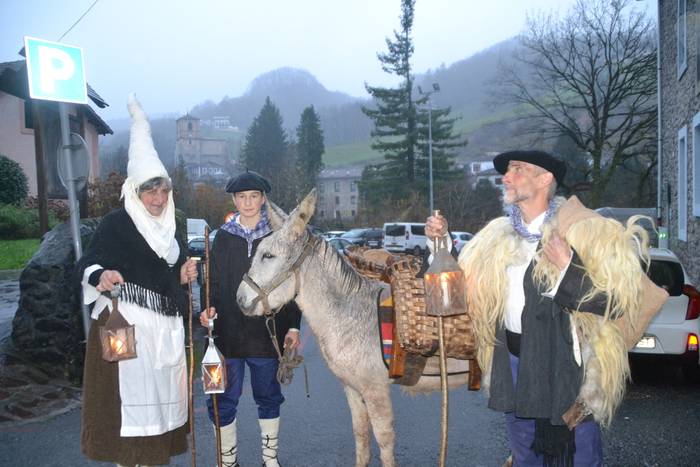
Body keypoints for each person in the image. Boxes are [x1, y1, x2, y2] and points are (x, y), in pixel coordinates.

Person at [426, 150, 668, 466]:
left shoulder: (586, 231)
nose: (506, 177)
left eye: (517, 169)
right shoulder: (496, 238)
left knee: (579, 455)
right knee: (525, 454)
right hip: (514, 362)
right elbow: (460, 285)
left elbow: (619, 301)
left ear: (545, 178)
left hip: (568, 370)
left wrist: (569, 266)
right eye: (507, 171)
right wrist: (441, 244)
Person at [78, 94, 198, 466]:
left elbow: (166, 278)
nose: (159, 198)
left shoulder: (172, 232)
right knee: (127, 422)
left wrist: (182, 275)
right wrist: (101, 275)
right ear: (134, 190)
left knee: (161, 420)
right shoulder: (117, 224)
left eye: (164, 190)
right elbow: (87, 263)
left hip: (165, 341)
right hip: (127, 335)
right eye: (150, 190)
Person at [199, 171, 301, 467]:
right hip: (227, 337)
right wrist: (207, 309)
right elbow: (213, 283)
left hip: (267, 335)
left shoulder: (278, 238)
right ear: (234, 200)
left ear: (263, 199)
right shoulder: (222, 238)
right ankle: (228, 462)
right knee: (221, 399)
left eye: (253, 196)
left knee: (268, 397)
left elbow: (292, 285)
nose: (248, 202)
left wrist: (293, 325)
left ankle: (270, 461)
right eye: (242, 197)